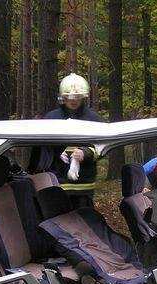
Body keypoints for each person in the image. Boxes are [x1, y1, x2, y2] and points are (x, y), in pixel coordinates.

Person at [41, 73, 104, 209]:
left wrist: (86, 154)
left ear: (83, 96)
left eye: (77, 96)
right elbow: (42, 148)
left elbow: (103, 147)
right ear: (63, 97)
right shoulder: (51, 119)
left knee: (83, 224)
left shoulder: (94, 119)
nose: (73, 100)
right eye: (69, 97)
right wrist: (54, 153)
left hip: (84, 186)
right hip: (56, 184)